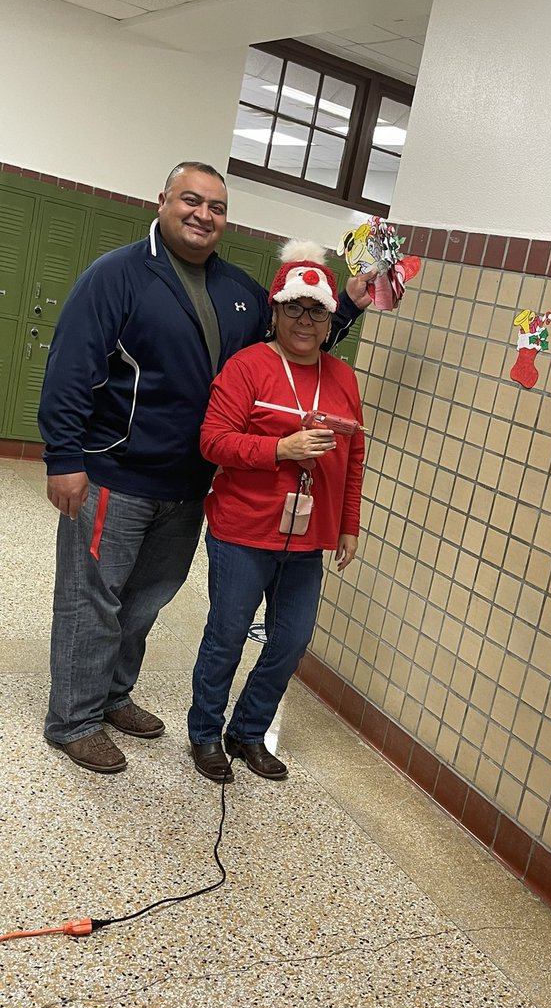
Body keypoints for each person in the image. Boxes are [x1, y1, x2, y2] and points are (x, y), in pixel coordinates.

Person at [38, 163, 371, 775]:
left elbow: (293, 339)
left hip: (189, 484)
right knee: (94, 598)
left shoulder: (237, 291)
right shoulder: (116, 275)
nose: (203, 215)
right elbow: (71, 366)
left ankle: (112, 697)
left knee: (144, 600)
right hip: (115, 472)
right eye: (191, 201)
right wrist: (64, 457)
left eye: (216, 207)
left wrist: (344, 305)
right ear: (162, 200)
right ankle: (74, 719)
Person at [186, 242, 364, 782]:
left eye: (316, 310)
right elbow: (213, 441)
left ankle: (247, 732)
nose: (304, 321)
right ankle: (204, 733)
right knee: (228, 634)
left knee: (290, 640)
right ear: (276, 310)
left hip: (307, 537)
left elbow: (354, 455)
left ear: (330, 317)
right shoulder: (249, 367)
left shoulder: (343, 378)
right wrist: (278, 450)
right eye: (294, 308)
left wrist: (348, 524)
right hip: (243, 530)